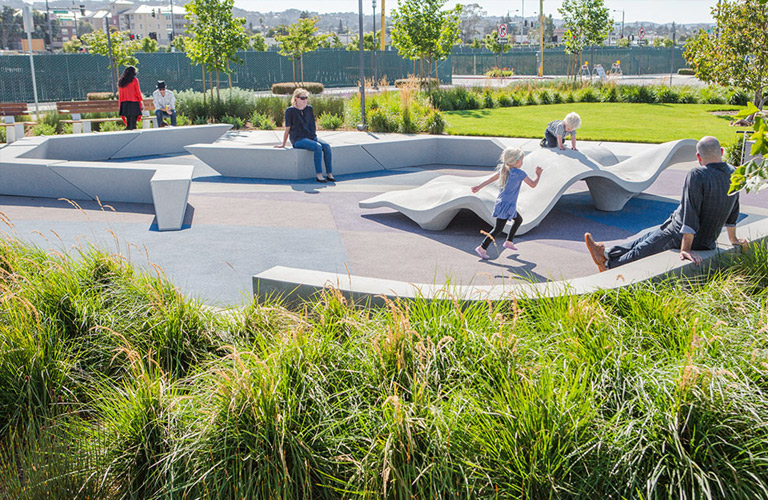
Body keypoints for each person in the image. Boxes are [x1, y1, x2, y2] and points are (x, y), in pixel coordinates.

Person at [584, 136, 748, 272]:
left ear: (698, 157)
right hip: (707, 240)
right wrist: (733, 239)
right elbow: (734, 209)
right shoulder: (734, 173)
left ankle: (608, 266)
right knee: (647, 236)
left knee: (644, 248)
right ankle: (605, 252)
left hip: (681, 234)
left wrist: (686, 249)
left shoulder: (698, 174)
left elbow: (690, 213)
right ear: (721, 152)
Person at [471, 147, 543, 259]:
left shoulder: (504, 170)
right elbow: (533, 184)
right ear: (517, 161)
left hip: (503, 203)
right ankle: (482, 248)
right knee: (498, 229)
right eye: (522, 160)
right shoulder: (520, 173)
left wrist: (479, 187)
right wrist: (538, 175)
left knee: (518, 220)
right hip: (507, 205)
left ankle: (509, 242)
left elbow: (490, 179)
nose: (522, 163)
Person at [275, 88, 334, 183]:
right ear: (296, 99)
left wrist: (313, 137)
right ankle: (319, 175)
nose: (305, 100)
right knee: (317, 147)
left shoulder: (309, 109)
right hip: (298, 139)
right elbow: (287, 129)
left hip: (310, 137)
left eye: (306, 98)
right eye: (302, 98)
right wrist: (283, 144)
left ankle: (329, 173)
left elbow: (312, 125)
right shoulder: (290, 111)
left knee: (326, 146)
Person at [117, 66, 144, 130]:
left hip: (124, 104)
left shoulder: (121, 81)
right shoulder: (134, 80)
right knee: (133, 123)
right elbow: (138, 92)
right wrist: (141, 102)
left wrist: (120, 105)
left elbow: (120, 94)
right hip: (133, 103)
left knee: (129, 122)